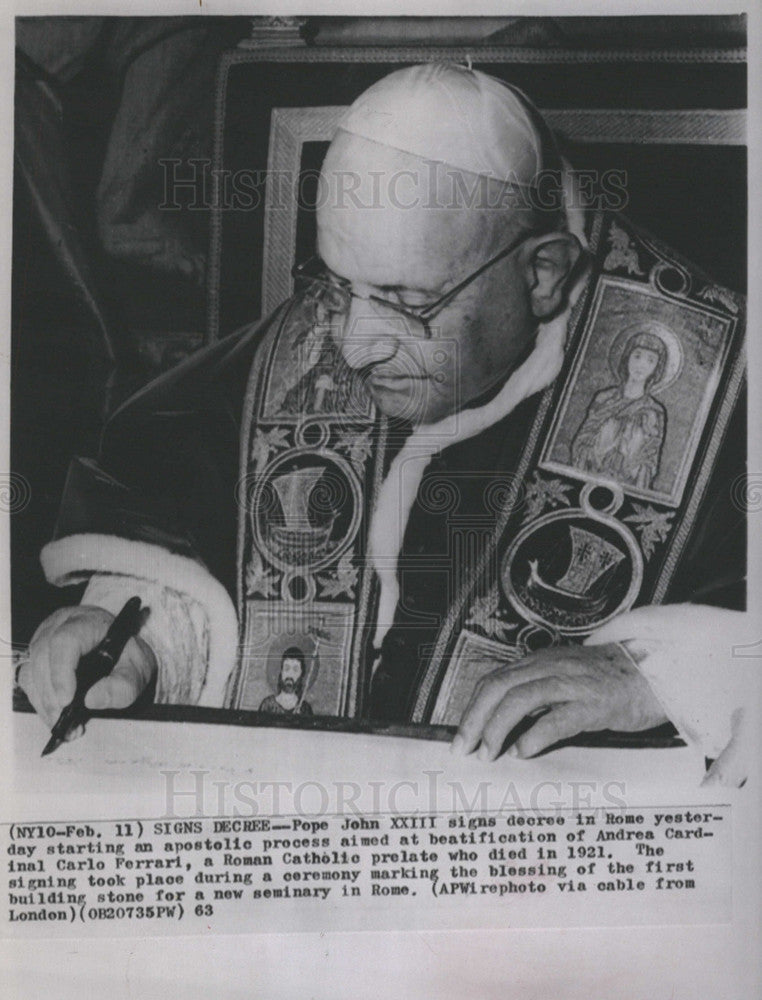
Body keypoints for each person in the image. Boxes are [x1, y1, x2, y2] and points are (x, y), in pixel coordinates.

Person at [18, 63, 753, 785]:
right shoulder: (314, 338)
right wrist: (133, 639)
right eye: (338, 287)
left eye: (406, 302)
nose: (353, 346)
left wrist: (662, 672)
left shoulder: (725, 386)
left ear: (542, 274)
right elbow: (186, 546)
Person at [571, 329, 667, 490]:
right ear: (627, 358)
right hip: (590, 479)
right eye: (637, 356)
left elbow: (648, 461)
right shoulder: (604, 399)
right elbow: (583, 442)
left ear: (656, 368)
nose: (641, 365)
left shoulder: (653, 412)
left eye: (650, 360)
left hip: (625, 487)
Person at [258, 648, 313, 716]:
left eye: (295, 670)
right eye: (286, 669)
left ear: (301, 674)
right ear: (281, 671)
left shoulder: (305, 708)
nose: (290, 674)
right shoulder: (267, 705)